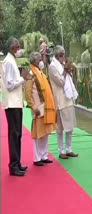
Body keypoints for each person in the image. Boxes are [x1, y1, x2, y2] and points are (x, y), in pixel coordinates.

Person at [1, 37, 30, 176]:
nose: (20, 50)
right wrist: (22, 78)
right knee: (14, 134)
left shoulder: (12, 61)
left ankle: (17, 163)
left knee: (18, 134)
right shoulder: (8, 62)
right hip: (11, 103)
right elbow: (9, 84)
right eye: (18, 47)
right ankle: (13, 166)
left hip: (16, 102)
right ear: (13, 48)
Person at [25, 52, 57, 166]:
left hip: (46, 108)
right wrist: (33, 107)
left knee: (45, 133)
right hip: (38, 109)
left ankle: (44, 155)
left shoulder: (41, 73)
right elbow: (28, 93)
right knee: (38, 134)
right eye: (39, 59)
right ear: (34, 61)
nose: (41, 61)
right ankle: (37, 158)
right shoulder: (30, 73)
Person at [48, 45, 78, 159]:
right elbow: (61, 82)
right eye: (62, 55)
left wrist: (69, 70)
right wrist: (65, 70)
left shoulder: (61, 65)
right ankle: (61, 151)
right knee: (60, 128)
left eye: (64, 54)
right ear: (56, 55)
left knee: (70, 127)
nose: (64, 57)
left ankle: (69, 149)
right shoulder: (52, 67)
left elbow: (70, 81)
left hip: (68, 99)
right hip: (60, 101)